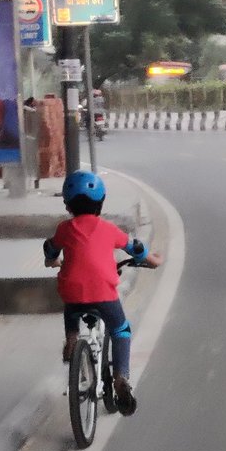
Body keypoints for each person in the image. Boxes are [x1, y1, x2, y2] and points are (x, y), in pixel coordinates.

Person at [43, 170, 162, 417]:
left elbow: (51, 248)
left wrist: (51, 260)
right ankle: (121, 377)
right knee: (120, 329)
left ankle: (72, 340)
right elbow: (135, 248)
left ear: (67, 204)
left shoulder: (64, 229)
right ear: (101, 202)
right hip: (104, 294)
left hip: (73, 292)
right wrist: (152, 260)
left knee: (71, 303)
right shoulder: (109, 229)